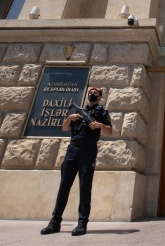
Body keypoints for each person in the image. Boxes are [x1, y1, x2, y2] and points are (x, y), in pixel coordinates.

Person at [41, 87, 113, 236]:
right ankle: (55, 222)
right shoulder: (79, 111)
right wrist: (70, 118)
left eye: (95, 93)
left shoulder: (102, 112)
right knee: (64, 186)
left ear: (99, 97)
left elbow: (109, 131)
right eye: (90, 93)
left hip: (88, 150)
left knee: (85, 187)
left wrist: (99, 125)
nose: (92, 95)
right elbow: (64, 128)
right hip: (72, 149)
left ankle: (82, 223)